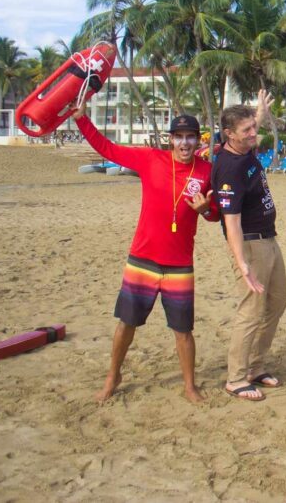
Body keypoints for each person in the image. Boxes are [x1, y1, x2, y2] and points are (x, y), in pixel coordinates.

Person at [73, 107, 217, 404]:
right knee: (127, 323)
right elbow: (107, 148)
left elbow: (215, 212)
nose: (185, 143)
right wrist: (81, 119)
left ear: (198, 140)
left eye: (190, 137)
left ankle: (189, 386)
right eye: (179, 137)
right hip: (142, 259)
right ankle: (113, 377)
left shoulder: (205, 171)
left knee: (183, 330)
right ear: (170, 140)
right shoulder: (151, 159)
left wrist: (206, 211)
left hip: (179, 265)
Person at [214, 90, 286, 402]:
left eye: (254, 127)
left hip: (269, 239)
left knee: (277, 303)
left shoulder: (245, 148)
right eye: (248, 130)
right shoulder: (229, 167)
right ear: (230, 135)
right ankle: (235, 377)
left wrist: (259, 111)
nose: (254, 132)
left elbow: (250, 125)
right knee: (251, 311)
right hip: (250, 245)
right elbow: (230, 219)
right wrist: (242, 263)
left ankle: (255, 367)